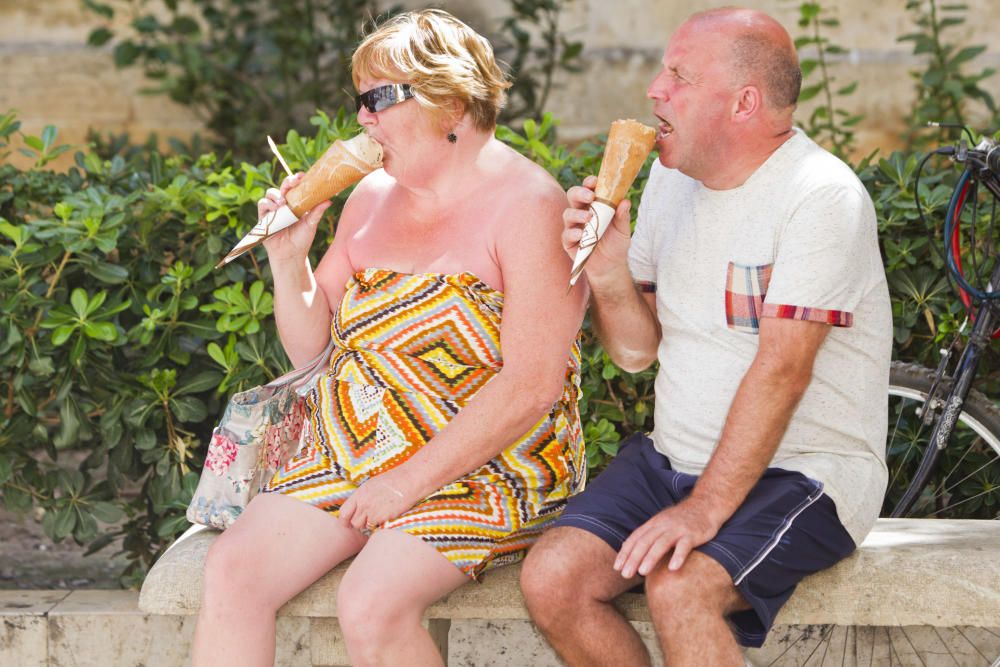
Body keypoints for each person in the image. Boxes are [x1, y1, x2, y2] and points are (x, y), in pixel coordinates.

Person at [191, 9, 587, 666]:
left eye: (379, 99)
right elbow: (311, 350)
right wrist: (289, 258)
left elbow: (532, 384)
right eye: (359, 101)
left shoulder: (529, 206)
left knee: (371, 600)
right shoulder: (370, 197)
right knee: (235, 570)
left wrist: (404, 484)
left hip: (489, 465)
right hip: (354, 448)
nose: (363, 120)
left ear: (451, 103)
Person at [520, 7, 892, 666]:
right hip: (674, 458)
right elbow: (637, 351)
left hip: (808, 471)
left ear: (743, 102)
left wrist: (703, 510)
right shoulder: (669, 178)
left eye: (679, 76)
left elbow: (783, 370)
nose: (654, 89)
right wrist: (607, 272)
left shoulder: (821, 196)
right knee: (554, 580)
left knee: (680, 587)